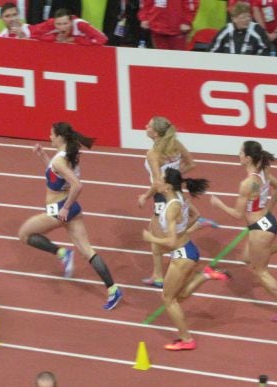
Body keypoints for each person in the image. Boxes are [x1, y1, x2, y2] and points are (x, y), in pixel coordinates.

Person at [18, 122, 123, 310]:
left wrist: (64, 208)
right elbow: (56, 175)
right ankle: (113, 289)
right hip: (72, 208)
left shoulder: (60, 160)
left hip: (59, 209)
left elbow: (77, 185)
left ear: (60, 137)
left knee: (24, 234)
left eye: (51, 134)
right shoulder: (68, 156)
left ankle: (62, 253)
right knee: (87, 251)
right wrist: (43, 156)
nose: (49, 137)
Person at [209, 140, 277, 322]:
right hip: (267, 223)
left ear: (247, 158)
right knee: (247, 258)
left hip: (260, 229)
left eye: (240, 153)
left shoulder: (247, 183)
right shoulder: (264, 172)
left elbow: (238, 214)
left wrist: (218, 204)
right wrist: (269, 209)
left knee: (260, 271)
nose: (238, 155)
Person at [137, 116, 219, 289]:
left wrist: (145, 196)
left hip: (163, 196)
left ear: (156, 133)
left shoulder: (153, 154)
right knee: (156, 234)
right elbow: (191, 164)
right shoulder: (175, 145)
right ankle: (158, 275)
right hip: (175, 191)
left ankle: (180, 267)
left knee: (161, 237)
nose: (146, 127)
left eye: (149, 125)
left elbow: (158, 183)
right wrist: (175, 176)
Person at [142, 168, 215, 351]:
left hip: (183, 254)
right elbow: (195, 216)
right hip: (187, 251)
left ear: (166, 186)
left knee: (167, 298)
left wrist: (152, 239)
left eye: (160, 180)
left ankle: (186, 339)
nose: (156, 182)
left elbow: (171, 241)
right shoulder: (180, 199)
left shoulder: (171, 208)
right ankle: (204, 275)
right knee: (178, 296)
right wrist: (185, 230)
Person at [30, 8, 108, 45]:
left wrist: (75, 39)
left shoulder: (80, 25)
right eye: (59, 24)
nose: (62, 27)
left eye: (65, 23)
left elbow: (102, 39)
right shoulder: (51, 23)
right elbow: (33, 33)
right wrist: (54, 38)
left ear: (71, 22)